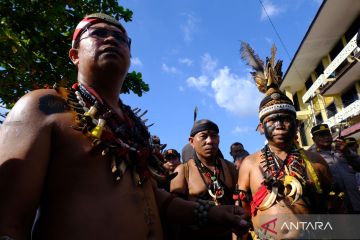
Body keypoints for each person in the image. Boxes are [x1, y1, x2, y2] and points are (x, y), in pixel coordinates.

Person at [0, 13, 249, 240]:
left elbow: (153, 199)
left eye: (121, 38)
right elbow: (7, 222)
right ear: (74, 55)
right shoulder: (42, 107)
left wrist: (211, 213)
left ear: (129, 57)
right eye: (98, 33)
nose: (111, 38)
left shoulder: (134, 128)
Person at [236, 42, 333, 240]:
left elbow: (333, 207)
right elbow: (241, 215)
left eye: (285, 118)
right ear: (261, 127)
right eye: (272, 120)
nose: (279, 124)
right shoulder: (249, 164)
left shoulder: (316, 161)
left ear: (296, 125)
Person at [170, 119, 238, 240]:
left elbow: (240, 203)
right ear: (191, 141)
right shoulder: (183, 171)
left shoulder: (230, 168)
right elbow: (175, 213)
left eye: (214, 136)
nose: (210, 141)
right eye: (204, 136)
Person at [309, 124, 360, 213]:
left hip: (356, 200)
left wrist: (347, 152)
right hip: (337, 208)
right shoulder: (312, 157)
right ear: (314, 139)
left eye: (327, 134)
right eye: (321, 135)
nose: (326, 137)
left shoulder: (342, 148)